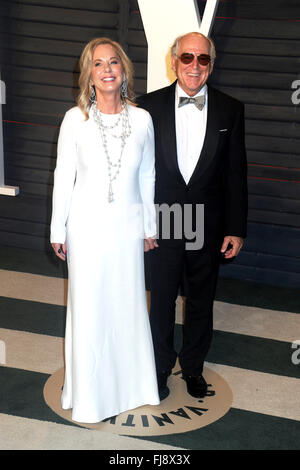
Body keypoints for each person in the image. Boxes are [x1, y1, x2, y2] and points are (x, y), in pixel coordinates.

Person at [50, 37, 160, 423]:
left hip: (127, 229)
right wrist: (57, 229)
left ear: (125, 71)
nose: (108, 69)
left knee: (127, 303)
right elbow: (64, 175)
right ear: (89, 75)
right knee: (91, 306)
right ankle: (89, 394)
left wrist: (149, 225)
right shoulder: (73, 119)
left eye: (114, 62)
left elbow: (148, 175)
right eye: (99, 64)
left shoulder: (143, 120)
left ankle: (133, 387)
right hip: (86, 227)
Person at [137, 32, 248, 400]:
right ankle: (159, 367)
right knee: (163, 298)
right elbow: (136, 171)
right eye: (187, 57)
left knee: (201, 298)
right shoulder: (146, 107)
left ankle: (194, 368)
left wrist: (235, 227)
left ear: (211, 65)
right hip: (164, 217)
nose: (195, 66)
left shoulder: (230, 109)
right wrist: (141, 223)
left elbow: (235, 172)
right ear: (174, 61)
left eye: (203, 59)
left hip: (206, 219)